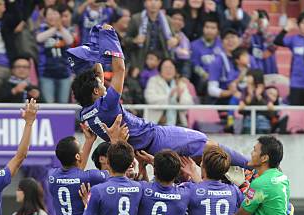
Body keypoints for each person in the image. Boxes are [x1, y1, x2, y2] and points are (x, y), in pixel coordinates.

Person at [71, 25, 250, 169]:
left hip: (146, 149)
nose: (104, 83)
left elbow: (96, 77)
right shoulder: (107, 105)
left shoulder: (86, 113)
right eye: (101, 85)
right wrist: (109, 36)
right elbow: (119, 70)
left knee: (196, 163)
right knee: (207, 144)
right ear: (95, 91)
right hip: (157, 138)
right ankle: (250, 167)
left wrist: (93, 54)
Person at [274, 13, 304, 106]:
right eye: (302, 23)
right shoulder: (294, 39)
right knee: (297, 113)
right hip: (297, 84)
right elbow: (277, 41)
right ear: (298, 25)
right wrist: (286, 29)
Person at [36, 5, 74, 103]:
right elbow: (39, 38)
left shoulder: (66, 30)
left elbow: (70, 40)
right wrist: (54, 29)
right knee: (49, 104)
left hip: (64, 73)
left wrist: (60, 28)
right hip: (46, 73)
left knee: (63, 104)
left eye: (55, 13)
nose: (52, 16)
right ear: (45, 17)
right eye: (49, 14)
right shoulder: (41, 29)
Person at [126, 0, 175, 71]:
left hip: (162, 61)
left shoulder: (167, 20)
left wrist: (176, 40)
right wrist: (134, 40)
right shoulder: (136, 19)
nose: (153, 3)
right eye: (150, 0)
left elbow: (175, 37)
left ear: (161, 3)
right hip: (141, 62)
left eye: (156, 0)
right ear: (145, 3)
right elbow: (125, 40)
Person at [144, 58, 193, 127]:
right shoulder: (153, 81)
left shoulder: (180, 83)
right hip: (157, 122)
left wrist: (179, 97)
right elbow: (149, 98)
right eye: (165, 67)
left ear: (175, 70)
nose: (168, 70)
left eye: (171, 67)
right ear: (160, 70)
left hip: (178, 123)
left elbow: (188, 103)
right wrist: (169, 96)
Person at [190, 16, 222, 97]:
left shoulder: (222, 44)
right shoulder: (194, 45)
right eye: (207, 27)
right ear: (203, 28)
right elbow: (195, 66)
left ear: (218, 31)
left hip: (220, 79)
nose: (209, 30)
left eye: (213, 28)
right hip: (203, 80)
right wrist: (206, 75)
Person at [242, 9, 277, 75]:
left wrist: (262, 28)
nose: (259, 22)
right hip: (255, 73)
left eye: (262, 19)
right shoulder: (251, 37)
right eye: (257, 20)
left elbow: (272, 47)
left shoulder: (273, 35)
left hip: (270, 72)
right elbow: (244, 44)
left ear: (268, 22)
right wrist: (251, 23)